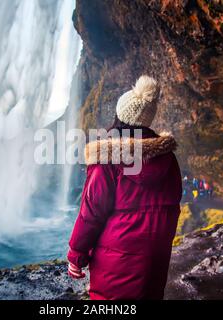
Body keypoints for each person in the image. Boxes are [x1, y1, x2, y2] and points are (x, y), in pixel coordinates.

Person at [67, 75, 182, 300]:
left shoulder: (108, 159)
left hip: (116, 261)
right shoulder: (168, 158)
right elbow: (173, 204)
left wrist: (76, 254)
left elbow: (91, 213)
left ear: (119, 116)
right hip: (155, 258)